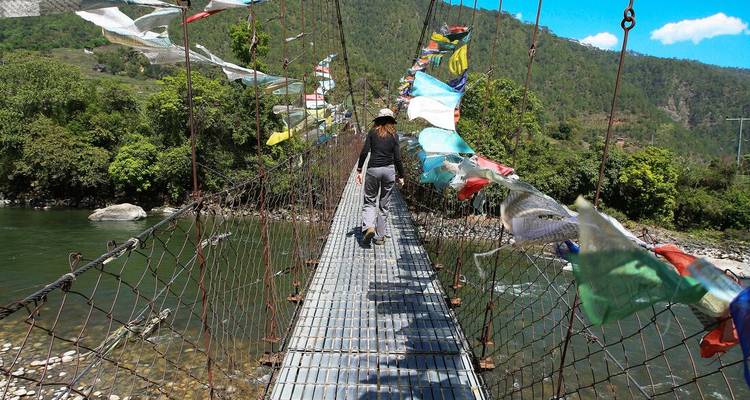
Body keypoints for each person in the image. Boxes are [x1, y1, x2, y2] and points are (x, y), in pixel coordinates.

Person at [356, 108, 405, 245]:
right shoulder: (394, 135)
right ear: (391, 121)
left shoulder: (372, 132)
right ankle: (379, 237)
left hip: (373, 170)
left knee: (370, 200)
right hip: (389, 171)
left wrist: (359, 169)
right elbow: (398, 158)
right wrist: (401, 175)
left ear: (377, 120)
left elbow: (364, 152)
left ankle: (369, 227)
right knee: (384, 204)